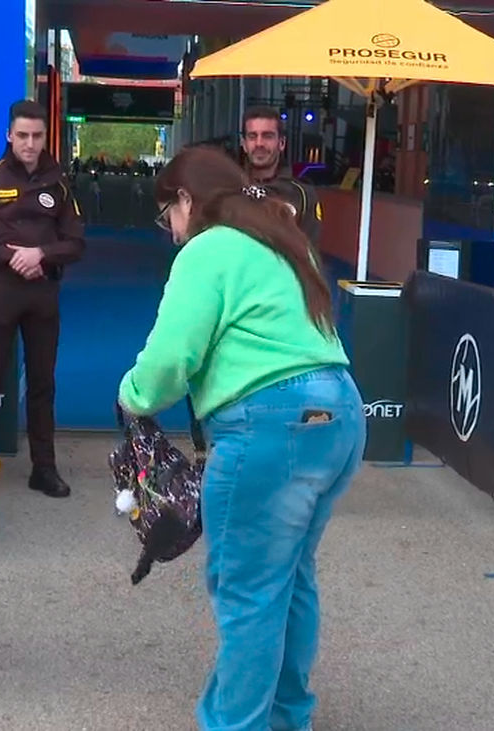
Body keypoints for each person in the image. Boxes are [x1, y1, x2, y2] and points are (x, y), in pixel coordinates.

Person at [116, 145, 366, 731]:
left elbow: (169, 361)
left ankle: (236, 724)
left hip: (269, 424)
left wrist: (131, 395)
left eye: (167, 214)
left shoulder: (208, 249)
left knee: (248, 589)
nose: (170, 231)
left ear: (186, 200)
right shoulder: (284, 238)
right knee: (291, 577)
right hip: (341, 417)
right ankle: (285, 717)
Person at [0, 99, 84, 498]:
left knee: (43, 384)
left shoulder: (59, 182)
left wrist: (41, 255)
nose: (29, 143)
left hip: (43, 292)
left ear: (46, 138)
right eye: (22, 135)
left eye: (37, 136)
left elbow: (76, 242)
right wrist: (12, 256)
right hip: (1, 291)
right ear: (9, 135)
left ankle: (44, 469)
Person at [241, 106, 323, 246]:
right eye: (252, 136)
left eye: (268, 136)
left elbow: (309, 254)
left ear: (282, 143)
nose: (259, 143)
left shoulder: (302, 195)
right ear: (244, 144)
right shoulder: (229, 187)